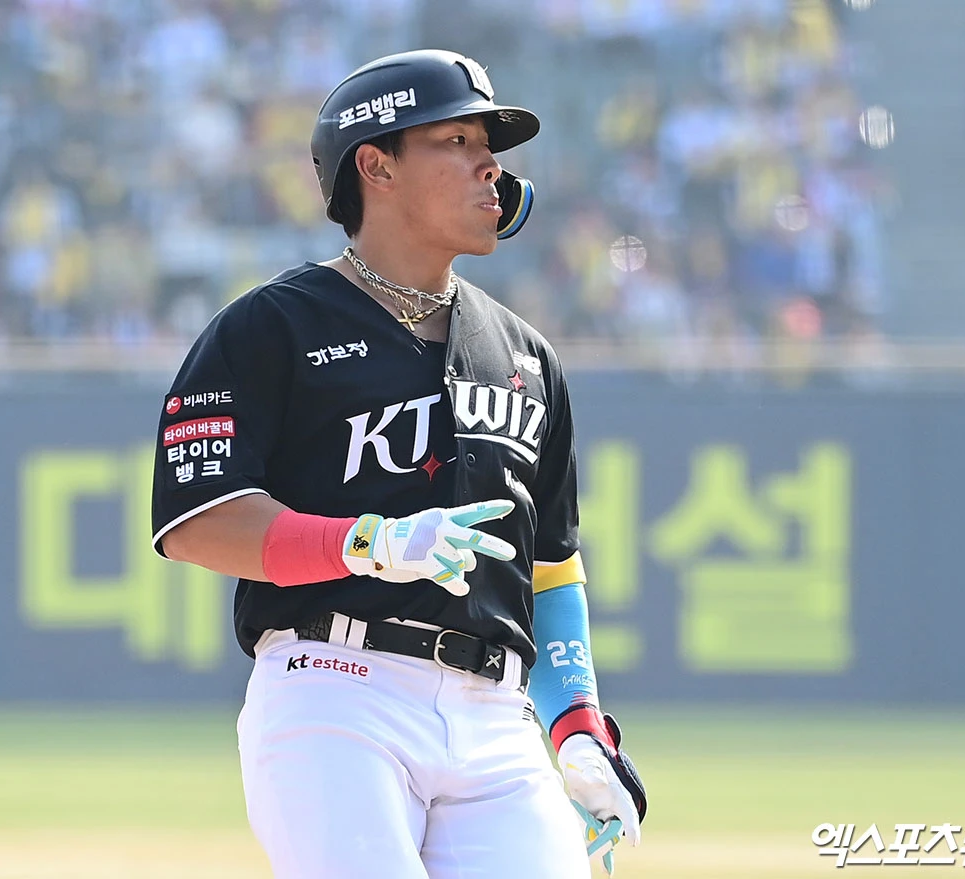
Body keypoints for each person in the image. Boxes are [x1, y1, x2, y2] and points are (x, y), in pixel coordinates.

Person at [150, 49, 647, 879]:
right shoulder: (272, 326)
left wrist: (579, 726)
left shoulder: (527, 356)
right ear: (375, 166)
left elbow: (551, 569)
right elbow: (197, 519)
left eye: (490, 146)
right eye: (457, 140)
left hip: (498, 718)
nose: (491, 165)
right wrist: (368, 542)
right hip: (334, 690)